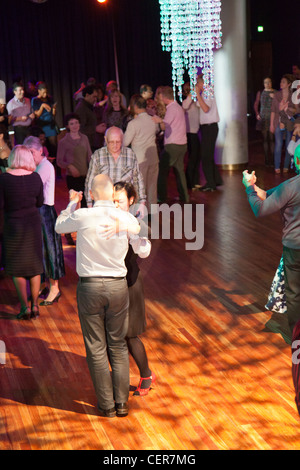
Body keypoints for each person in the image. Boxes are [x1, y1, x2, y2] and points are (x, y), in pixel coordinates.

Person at [54, 174, 147, 417]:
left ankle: (106, 406)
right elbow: (139, 228)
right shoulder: (124, 216)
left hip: (91, 288)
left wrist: (72, 204)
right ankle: (122, 404)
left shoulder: (84, 215)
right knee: (117, 345)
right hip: (118, 288)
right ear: (111, 194)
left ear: (92, 194)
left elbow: (58, 225)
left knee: (96, 347)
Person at [242, 143, 300, 337]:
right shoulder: (288, 187)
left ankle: (296, 337)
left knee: (294, 294)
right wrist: (255, 187)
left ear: (297, 161)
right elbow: (268, 194)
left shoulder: (290, 187)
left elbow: (261, 208)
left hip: (295, 249)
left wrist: (249, 187)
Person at [113, 181, 155, 396]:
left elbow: (145, 252)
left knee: (130, 335)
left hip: (130, 284)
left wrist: (135, 237)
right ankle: (118, 379)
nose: (116, 205)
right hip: (111, 286)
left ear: (130, 201)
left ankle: (146, 374)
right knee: (114, 335)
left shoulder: (135, 223)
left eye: (119, 201)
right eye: (113, 200)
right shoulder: (107, 220)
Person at [0, 145, 44, 319]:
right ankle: (35, 306)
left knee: (17, 268)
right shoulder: (36, 178)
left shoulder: (4, 179)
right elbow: (40, 201)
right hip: (33, 225)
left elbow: (1, 205)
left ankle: (24, 307)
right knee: (34, 267)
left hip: (13, 226)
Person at [24, 136, 65, 308]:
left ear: (40, 150)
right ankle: (42, 285)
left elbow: (33, 187)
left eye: (32, 152)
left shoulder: (45, 166)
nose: (30, 156)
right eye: (28, 153)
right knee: (39, 251)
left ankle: (54, 288)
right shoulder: (38, 166)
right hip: (38, 212)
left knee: (50, 251)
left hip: (45, 212)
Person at [85, 126, 147, 216]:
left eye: (118, 142)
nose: (115, 145)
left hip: (125, 207)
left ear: (122, 140)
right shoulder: (98, 155)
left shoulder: (130, 154)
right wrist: (90, 205)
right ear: (106, 140)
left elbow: (138, 179)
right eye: (111, 142)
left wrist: (142, 203)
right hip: (104, 206)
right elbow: (90, 182)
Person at [152, 85, 189, 203]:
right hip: (182, 144)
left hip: (173, 146)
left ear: (162, 96)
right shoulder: (177, 107)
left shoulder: (172, 109)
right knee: (179, 171)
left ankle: (162, 197)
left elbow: (164, 125)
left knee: (162, 171)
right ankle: (185, 197)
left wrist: (158, 120)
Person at [124, 95, 159, 213]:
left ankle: (140, 214)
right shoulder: (153, 120)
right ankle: (152, 213)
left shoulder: (133, 123)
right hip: (153, 157)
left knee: (140, 189)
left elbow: (125, 142)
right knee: (152, 187)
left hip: (140, 159)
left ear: (135, 106)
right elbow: (158, 132)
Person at [57, 113, 92, 208]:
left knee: (87, 202)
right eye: (71, 123)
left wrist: (93, 171)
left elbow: (89, 156)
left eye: (76, 123)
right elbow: (59, 161)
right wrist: (69, 166)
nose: (75, 125)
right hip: (73, 177)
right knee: (76, 203)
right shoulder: (63, 142)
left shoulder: (84, 138)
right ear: (67, 126)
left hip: (86, 176)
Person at [195, 74, 223, 191]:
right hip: (207, 128)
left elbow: (206, 109)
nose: (196, 85)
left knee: (206, 156)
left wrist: (197, 94)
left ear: (202, 83)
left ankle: (210, 184)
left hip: (210, 127)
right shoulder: (205, 93)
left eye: (197, 83)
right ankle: (216, 180)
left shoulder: (207, 93)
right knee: (208, 156)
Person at [31, 82, 59, 173]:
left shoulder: (49, 98)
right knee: (42, 149)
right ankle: (42, 169)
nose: (45, 94)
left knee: (53, 148)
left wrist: (54, 109)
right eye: (43, 92)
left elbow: (53, 114)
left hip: (50, 126)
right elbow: (37, 115)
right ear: (39, 91)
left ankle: (56, 170)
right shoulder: (35, 100)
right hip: (42, 126)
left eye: (46, 92)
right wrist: (42, 106)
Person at [270, 74, 295, 173]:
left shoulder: (293, 96)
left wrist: (286, 108)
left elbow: (294, 110)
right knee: (279, 144)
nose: (281, 84)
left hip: (289, 122)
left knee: (289, 144)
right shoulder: (277, 95)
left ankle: (286, 166)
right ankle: (277, 166)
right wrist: (272, 124)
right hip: (278, 121)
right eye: (281, 82)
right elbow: (273, 110)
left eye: (283, 82)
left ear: (289, 84)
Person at [182, 82, 201, 190]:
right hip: (190, 133)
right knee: (193, 158)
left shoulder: (195, 102)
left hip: (196, 132)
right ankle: (189, 183)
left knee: (197, 157)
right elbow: (184, 106)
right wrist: (192, 93)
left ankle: (195, 181)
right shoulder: (186, 102)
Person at [254, 77, 276, 167]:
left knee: (272, 139)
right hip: (263, 118)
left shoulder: (275, 92)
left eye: (269, 82)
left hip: (272, 117)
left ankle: (274, 160)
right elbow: (256, 103)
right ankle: (267, 159)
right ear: (263, 84)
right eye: (266, 82)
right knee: (265, 139)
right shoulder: (260, 92)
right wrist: (257, 113)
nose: (268, 84)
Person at [74, 85, 100, 152]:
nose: (95, 99)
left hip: (91, 144)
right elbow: (79, 129)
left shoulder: (89, 107)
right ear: (87, 95)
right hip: (86, 146)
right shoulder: (81, 108)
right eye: (94, 97)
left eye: (96, 97)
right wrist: (96, 129)